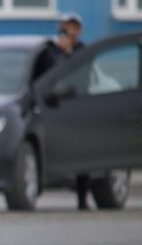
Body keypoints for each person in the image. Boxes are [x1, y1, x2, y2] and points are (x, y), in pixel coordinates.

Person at [35, 12, 91, 210]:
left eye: (74, 27)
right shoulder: (50, 51)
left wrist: (69, 54)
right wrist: (61, 54)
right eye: (67, 26)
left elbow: (82, 77)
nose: (70, 31)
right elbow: (46, 77)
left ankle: (82, 198)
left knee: (83, 154)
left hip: (77, 109)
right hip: (55, 109)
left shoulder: (82, 51)